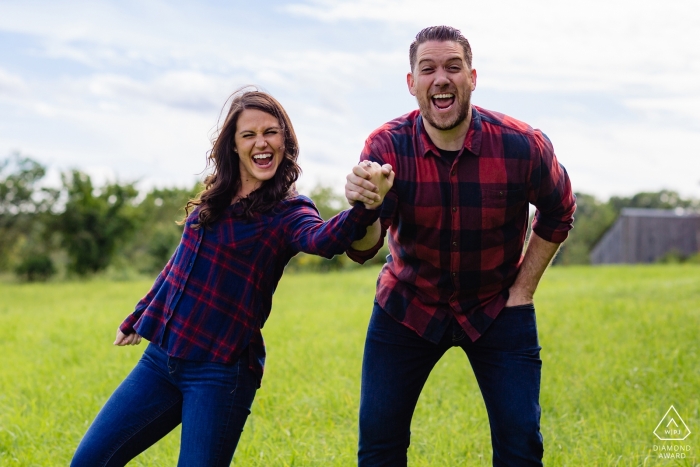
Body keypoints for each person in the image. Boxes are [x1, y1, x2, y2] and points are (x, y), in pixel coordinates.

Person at [71, 88, 394, 467]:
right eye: (249, 134)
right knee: (90, 460)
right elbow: (181, 265)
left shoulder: (287, 211)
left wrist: (365, 208)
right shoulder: (216, 197)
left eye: (271, 132)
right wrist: (141, 314)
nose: (262, 142)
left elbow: (323, 239)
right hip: (162, 360)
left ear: (284, 141)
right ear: (234, 146)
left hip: (220, 371)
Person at [344, 26, 576, 466]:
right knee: (378, 445)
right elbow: (365, 247)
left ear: (472, 76)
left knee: (521, 445)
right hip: (407, 306)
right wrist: (363, 208)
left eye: (453, 67)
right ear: (411, 83)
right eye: (427, 69)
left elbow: (559, 209)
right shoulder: (386, 146)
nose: (441, 79)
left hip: (496, 306)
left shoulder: (522, 145)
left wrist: (523, 290)